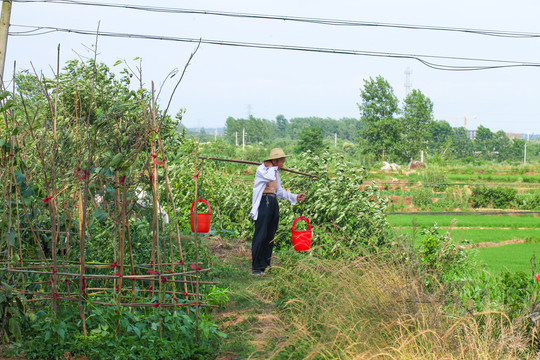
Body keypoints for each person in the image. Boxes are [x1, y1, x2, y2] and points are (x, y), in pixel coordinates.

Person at [249, 148, 306, 275]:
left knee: (270, 235)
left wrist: (295, 196)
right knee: (261, 234)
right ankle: (256, 267)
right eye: (281, 161)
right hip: (264, 202)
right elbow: (268, 177)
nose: (283, 164)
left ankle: (265, 265)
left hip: (273, 202)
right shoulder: (262, 170)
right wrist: (272, 167)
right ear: (275, 160)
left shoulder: (275, 172)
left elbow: (278, 191)